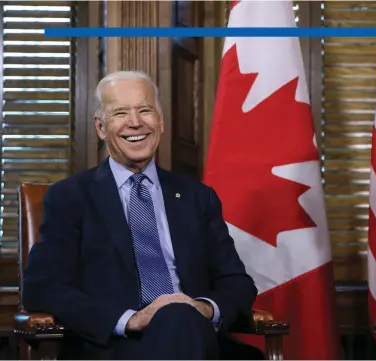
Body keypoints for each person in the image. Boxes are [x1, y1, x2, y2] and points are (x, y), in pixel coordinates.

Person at [22, 71, 259, 359]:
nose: (135, 122)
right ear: (100, 127)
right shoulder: (70, 197)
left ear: (160, 121)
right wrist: (129, 320)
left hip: (196, 337)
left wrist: (203, 308)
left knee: (179, 317)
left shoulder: (198, 197)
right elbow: (42, 286)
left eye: (145, 110)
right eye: (120, 113)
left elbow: (237, 282)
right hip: (115, 346)